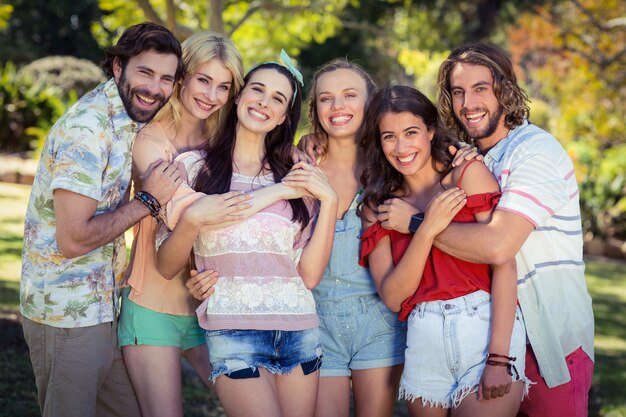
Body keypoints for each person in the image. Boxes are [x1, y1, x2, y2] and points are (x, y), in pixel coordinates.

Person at [383, 42, 595, 417]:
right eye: (458, 91)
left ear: (505, 89)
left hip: (549, 342)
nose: (468, 102)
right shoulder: (472, 159)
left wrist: (417, 223)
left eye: (481, 88)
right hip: (487, 338)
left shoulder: (535, 152)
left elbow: (498, 246)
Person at [157, 55, 338, 417]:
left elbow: (309, 276)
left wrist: (329, 201)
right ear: (239, 96)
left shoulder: (297, 174)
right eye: (257, 90)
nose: (264, 102)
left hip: (298, 328)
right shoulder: (194, 168)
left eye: (277, 98)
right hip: (233, 330)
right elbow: (165, 263)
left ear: (285, 116)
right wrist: (279, 192)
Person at [20, 22, 183, 417]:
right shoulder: (87, 130)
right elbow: (72, 240)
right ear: (117, 67)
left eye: (166, 78)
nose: (155, 88)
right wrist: (147, 200)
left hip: (103, 307)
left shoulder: (128, 119)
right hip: (66, 311)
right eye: (144, 72)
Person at [359, 85, 528, 417]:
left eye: (411, 133)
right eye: (389, 136)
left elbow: (503, 262)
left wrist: (499, 357)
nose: (402, 147)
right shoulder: (379, 205)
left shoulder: (466, 174)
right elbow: (394, 296)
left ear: (430, 131)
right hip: (424, 340)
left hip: (482, 329)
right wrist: (425, 228)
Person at [117, 32, 246, 417]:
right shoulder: (148, 140)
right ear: (183, 77)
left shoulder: (227, 142)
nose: (211, 95)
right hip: (153, 305)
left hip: (213, 306)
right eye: (203, 80)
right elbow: (190, 212)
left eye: (224, 86)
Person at [304, 59, 406, 417]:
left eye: (350, 95)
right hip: (315, 321)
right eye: (325, 98)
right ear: (315, 109)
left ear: (371, 102)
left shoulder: (393, 166)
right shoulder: (302, 167)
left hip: (380, 321)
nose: (337, 106)